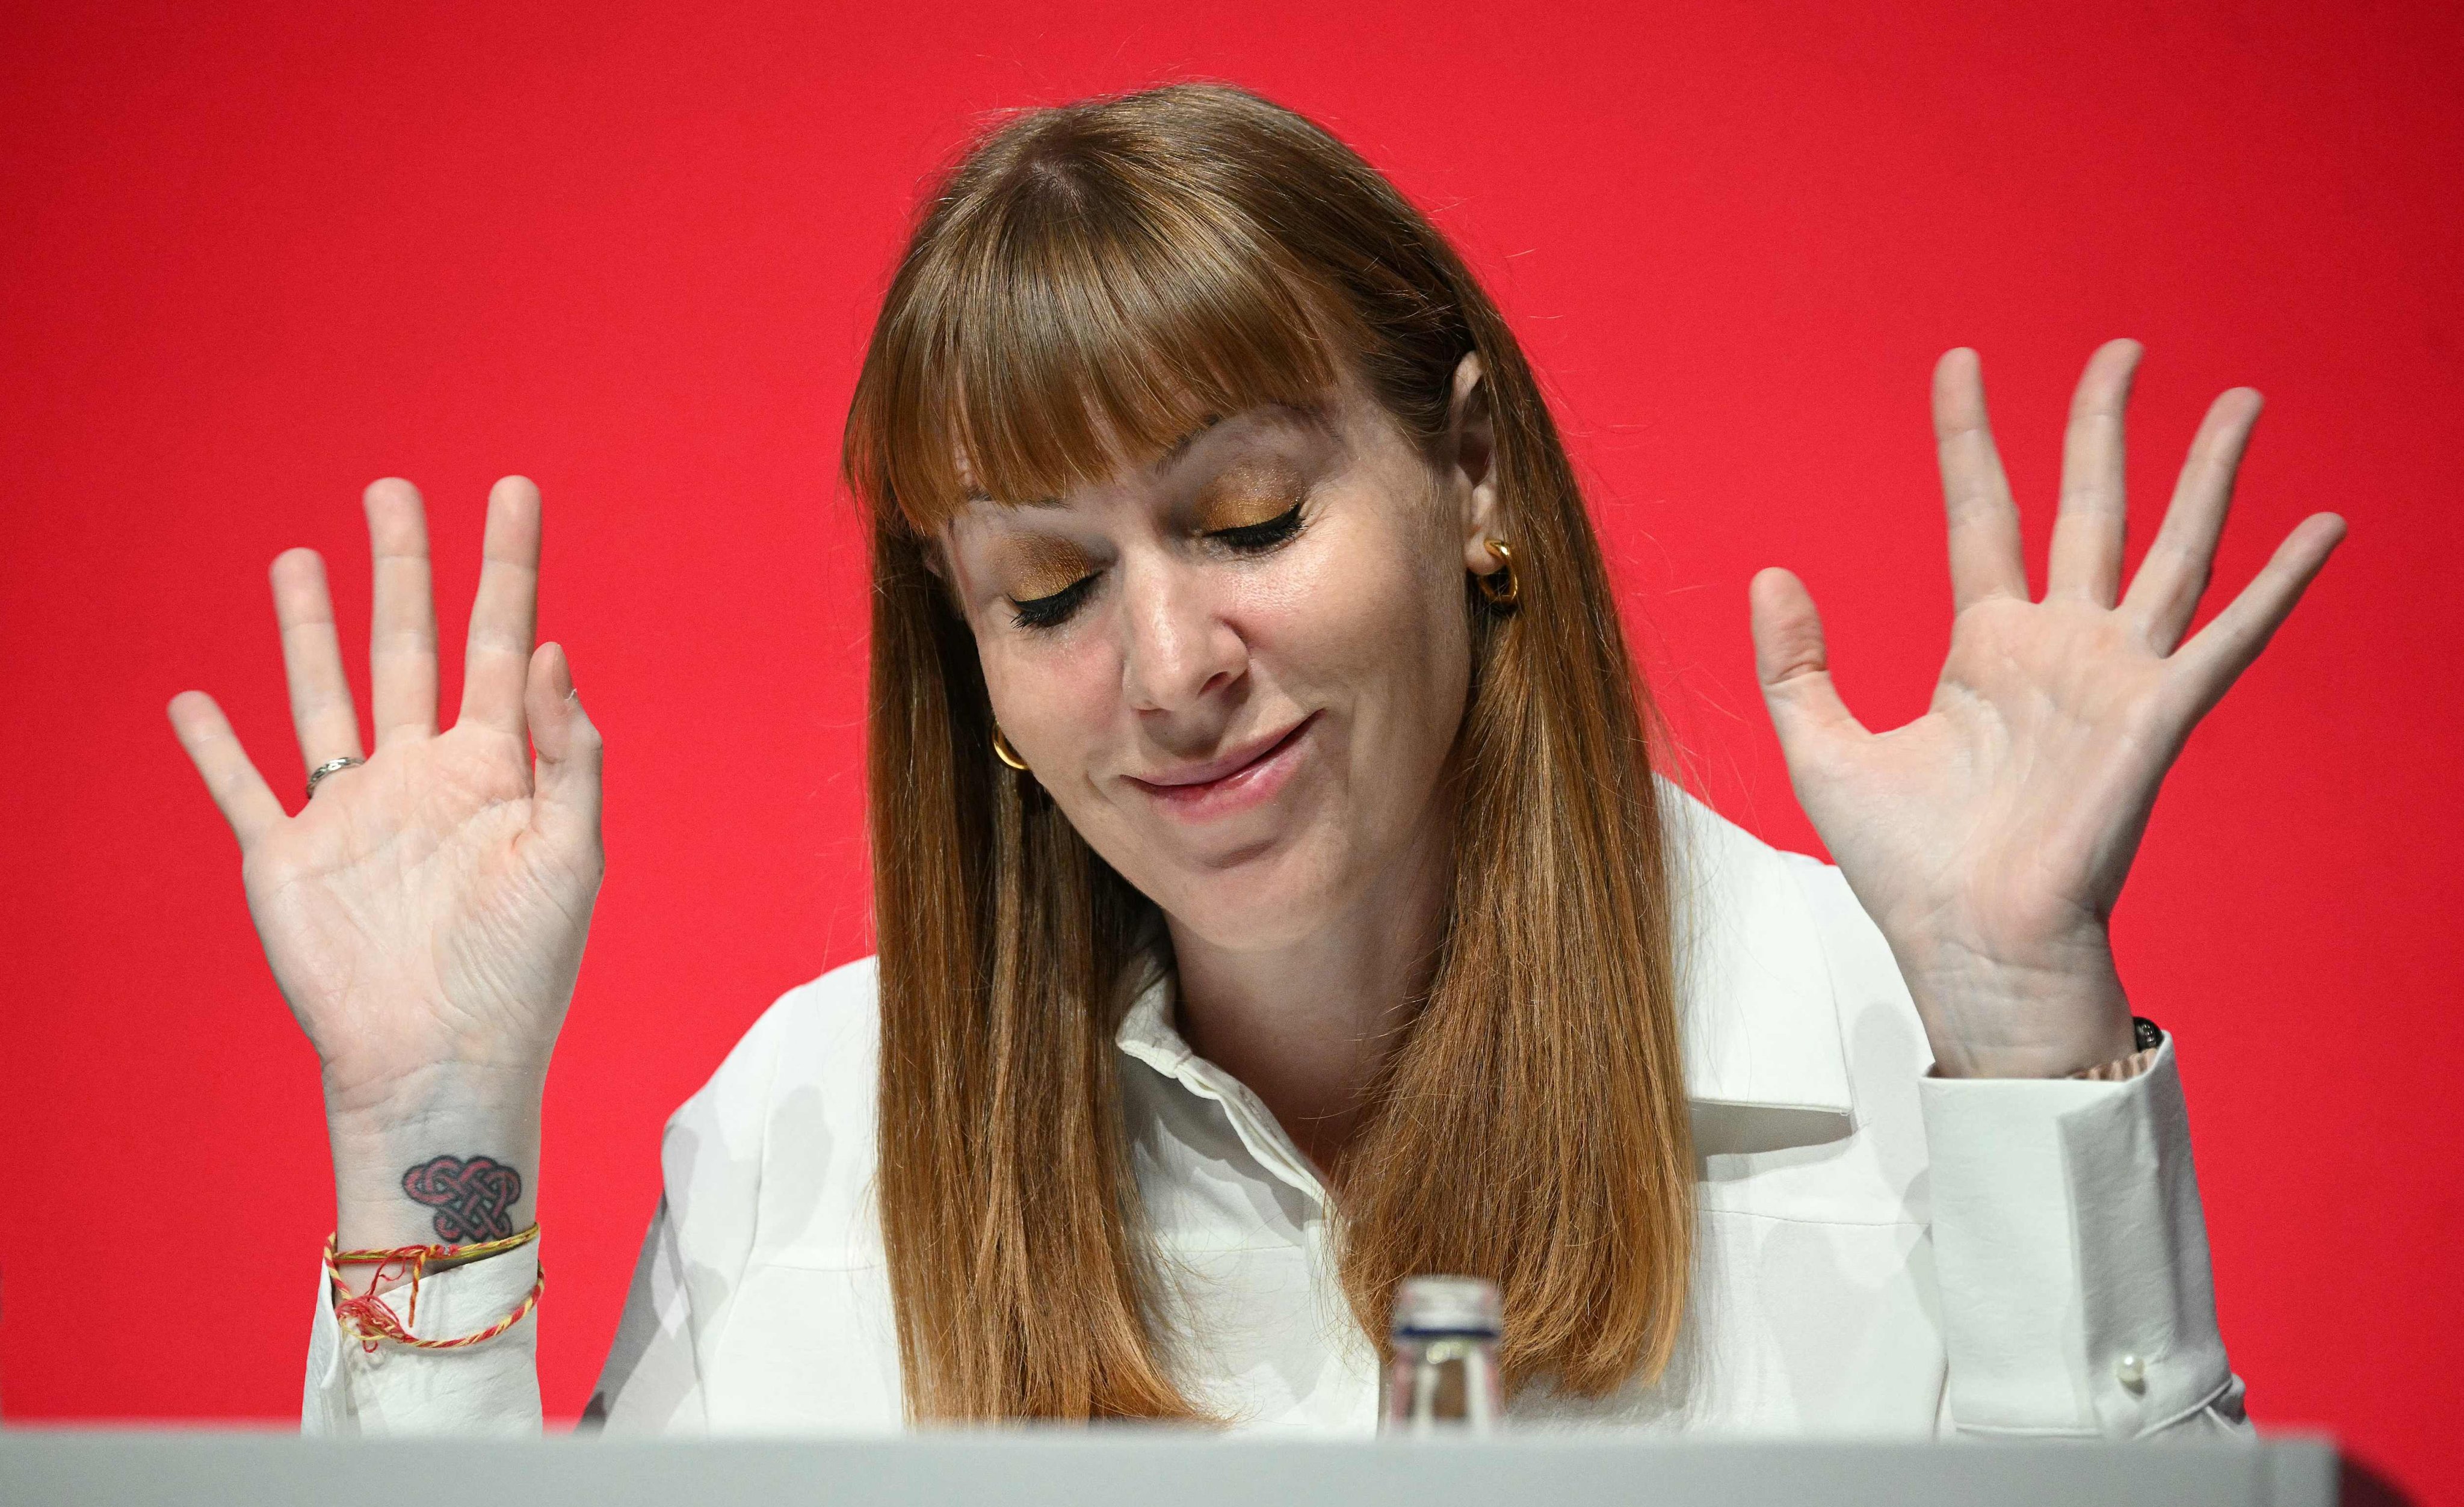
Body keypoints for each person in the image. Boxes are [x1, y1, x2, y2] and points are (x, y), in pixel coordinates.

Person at [167, 83, 2341, 1437]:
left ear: (1473, 474)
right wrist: (430, 1145)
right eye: (1045, 594)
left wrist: (2026, 1026)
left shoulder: (1913, 1058)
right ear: (977, 681)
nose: (1172, 665)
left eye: (1247, 521)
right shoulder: (801, 1136)